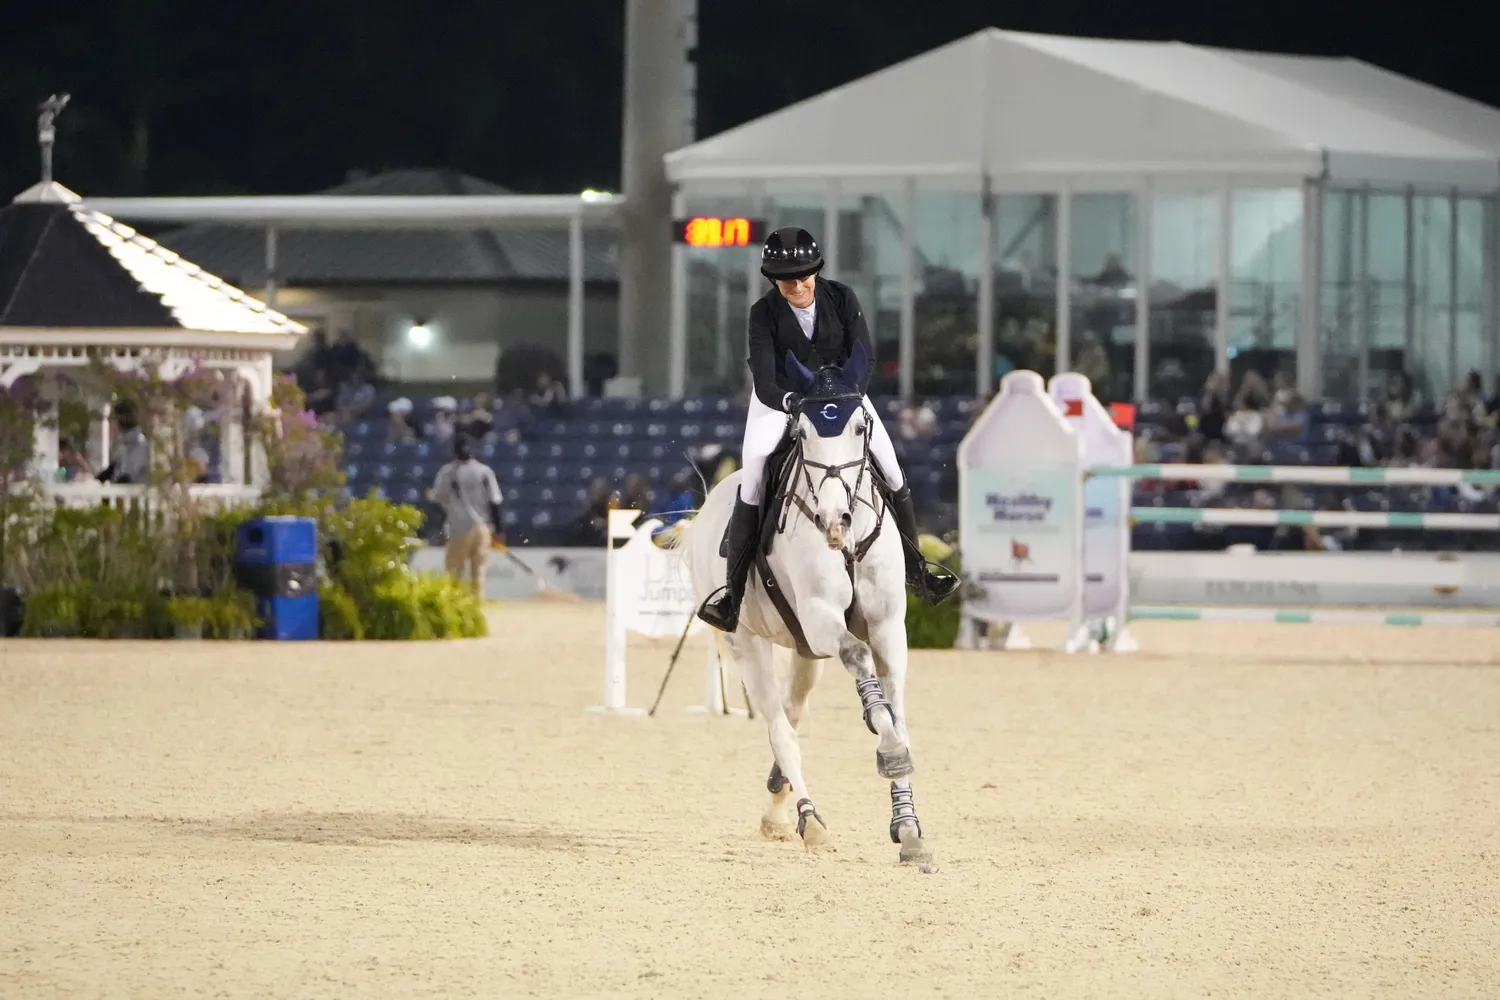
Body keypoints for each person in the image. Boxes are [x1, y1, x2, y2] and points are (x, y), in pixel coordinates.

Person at [697, 227, 958, 633]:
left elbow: (865, 358)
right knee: (754, 471)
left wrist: (844, 397)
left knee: (890, 468)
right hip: (782, 402)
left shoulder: (842, 298)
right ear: (773, 278)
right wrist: (791, 403)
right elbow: (764, 378)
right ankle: (732, 594)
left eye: (804, 275)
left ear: (816, 271)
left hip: (843, 396)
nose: (798, 285)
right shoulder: (762, 314)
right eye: (788, 278)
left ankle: (917, 571)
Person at [429, 435, 504, 598]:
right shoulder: (485, 471)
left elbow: (437, 501)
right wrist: (499, 529)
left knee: (454, 571)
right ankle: (477, 607)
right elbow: (495, 502)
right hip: (482, 527)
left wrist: (438, 526)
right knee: (479, 572)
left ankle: (454, 605)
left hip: (459, 527)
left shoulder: (447, 472)